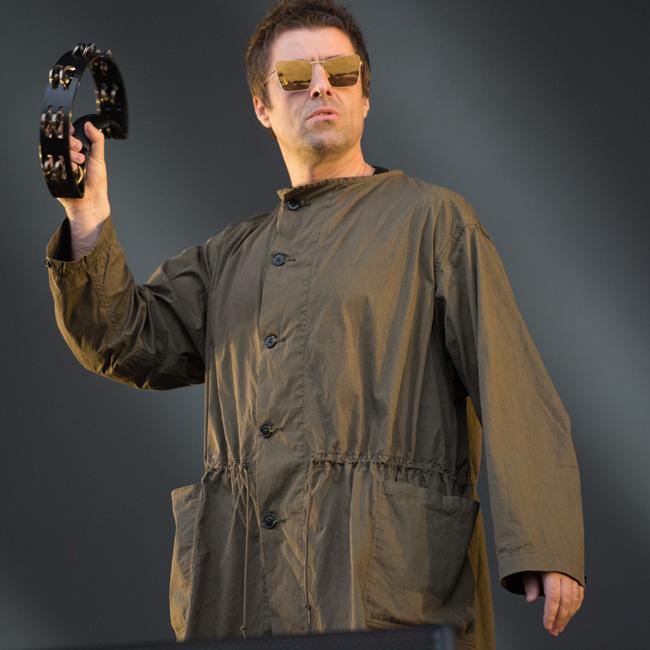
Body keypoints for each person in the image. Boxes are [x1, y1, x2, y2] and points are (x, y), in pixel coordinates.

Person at [44, 1, 586, 648]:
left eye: (342, 72)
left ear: (365, 96)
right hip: (245, 588)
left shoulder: (435, 223)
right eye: (296, 77)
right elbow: (124, 339)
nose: (322, 87)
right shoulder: (229, 257)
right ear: (263, 107)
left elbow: (512, 380)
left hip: (384, 578)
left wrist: (546, 540)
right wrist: (87, 216)